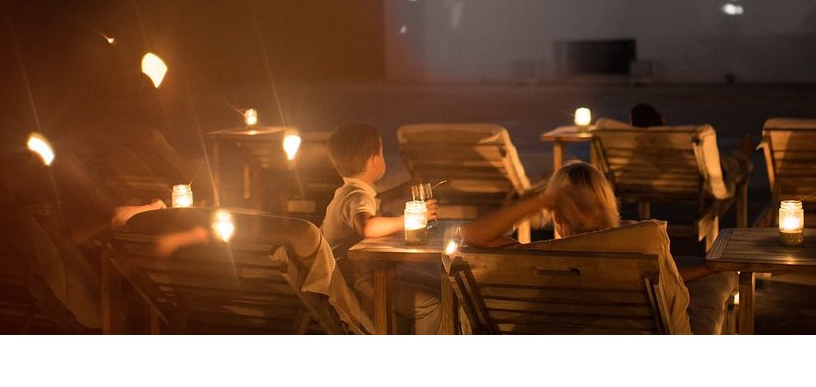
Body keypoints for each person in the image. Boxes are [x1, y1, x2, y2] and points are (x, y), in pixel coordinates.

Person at [460, 160, 737, 334]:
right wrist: (709, 268)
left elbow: (473, 235)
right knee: (716, 289)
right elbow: (667, 279)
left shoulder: (535, 258)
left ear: (556, 214)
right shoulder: (638, 246)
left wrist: (544, 200)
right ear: (608, 203)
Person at [321, 122, 442, 334]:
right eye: (382, 152)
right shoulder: (358, 197)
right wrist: (409, 219)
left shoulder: (345, 193)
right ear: (375, 160)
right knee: (432, 304)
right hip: (362, 287)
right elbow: (367, 227)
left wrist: (402, 193)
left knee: (440, 284)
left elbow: (370, 210)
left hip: (357, 279)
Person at [629, 102, 755, 193]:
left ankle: (741, 152)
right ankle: (743, 151)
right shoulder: (676, 143)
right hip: (700, 182)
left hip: (655, 184)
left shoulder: (632, 149)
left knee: (729, 161)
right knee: (734, 161)